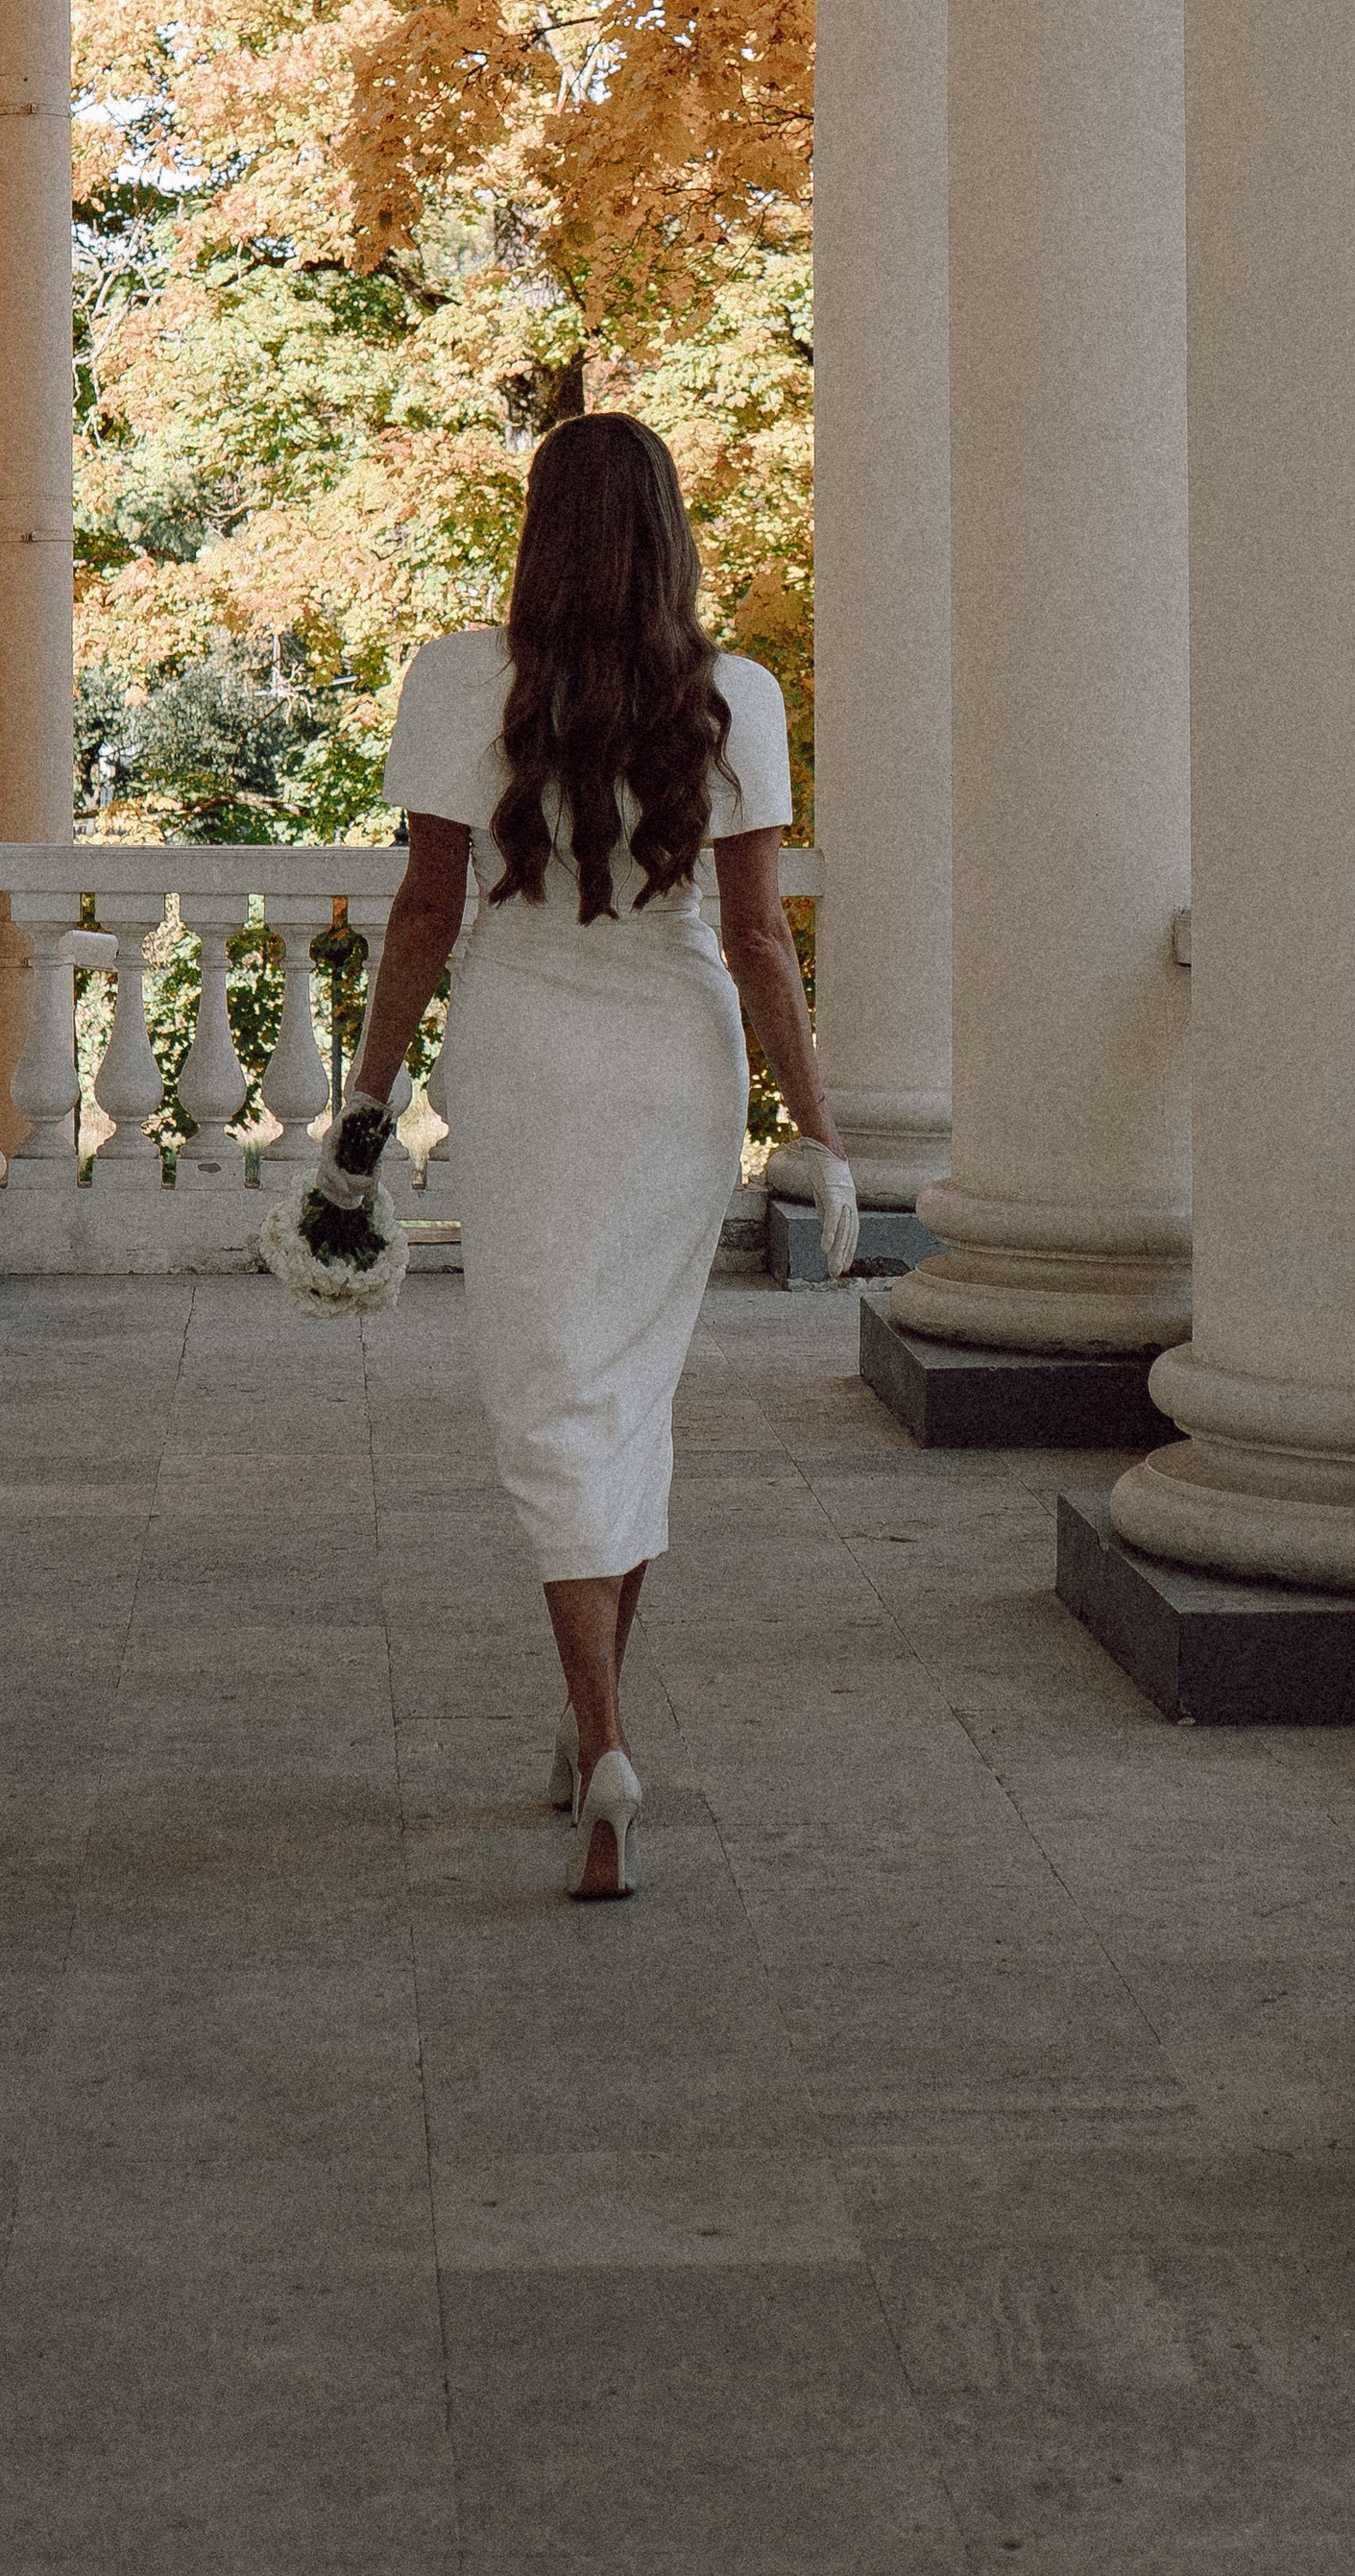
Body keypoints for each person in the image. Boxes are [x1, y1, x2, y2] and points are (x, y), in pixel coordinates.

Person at [293, 413, 858, 1903]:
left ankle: (601, 1733)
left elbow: (425, 912)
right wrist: (819, 1130)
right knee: (630, 1394)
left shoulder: (462, 679)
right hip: (676, 1068)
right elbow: (757, 945)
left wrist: (366, 1101)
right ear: (671, 531)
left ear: (541, 529)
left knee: (553, 1398)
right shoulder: (736, 695)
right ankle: (587, 1721)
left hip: (529, 1053)